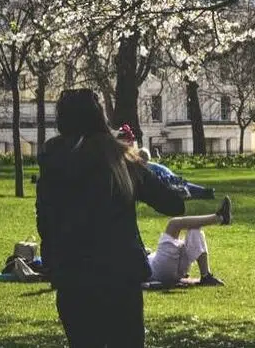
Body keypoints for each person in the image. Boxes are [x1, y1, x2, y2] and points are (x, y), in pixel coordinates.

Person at [36, 89, 186, 348]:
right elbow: (172, 203)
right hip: (120, 274)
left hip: (74, 274)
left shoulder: (54, 160)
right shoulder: (119, 158)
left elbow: (45, 219)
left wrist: (53, 261)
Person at [147, 197, 232, 287]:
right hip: (157, 269)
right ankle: (218, 217)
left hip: (171, 269)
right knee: (173, 224)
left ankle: (206, 276)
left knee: (194, 229)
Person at [138, 148, 215, 199]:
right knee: (185, 184)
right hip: (168, 174)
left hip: (167, 177)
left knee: (183, 186)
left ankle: (204, 192)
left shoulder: (146, 166)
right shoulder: (149, 165)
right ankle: (205, 191)